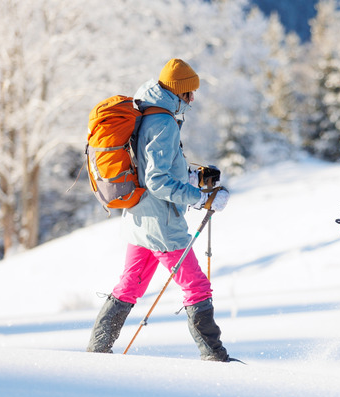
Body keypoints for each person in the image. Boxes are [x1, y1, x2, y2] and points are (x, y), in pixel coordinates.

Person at [87, 58, 232, 362]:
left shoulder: (145, 112)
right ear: (180, 93)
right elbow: (157, 181)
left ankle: (97, 351)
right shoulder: (164, 122)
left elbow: (148, 169)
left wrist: (192, 176)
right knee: (197, 286)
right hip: (162, 223)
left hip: (139, 218)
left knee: (130, 285)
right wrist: (201, 198)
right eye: (190, 93)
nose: (192, 99)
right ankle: (215, 356)